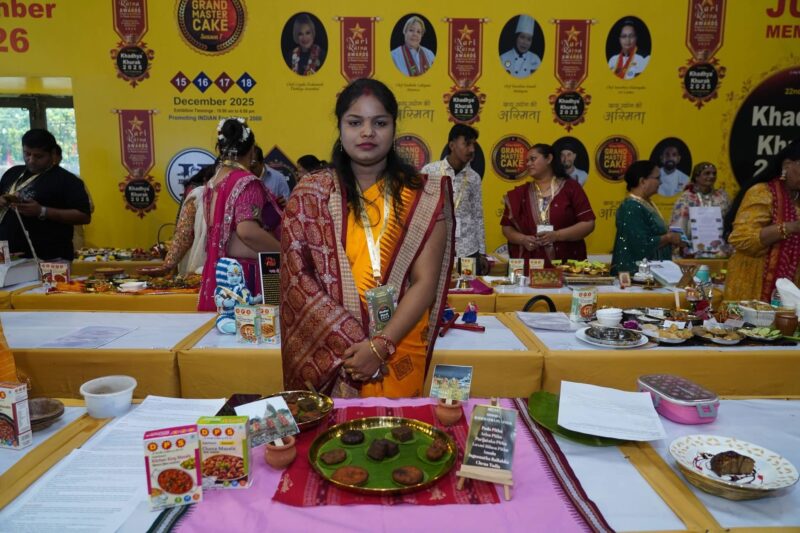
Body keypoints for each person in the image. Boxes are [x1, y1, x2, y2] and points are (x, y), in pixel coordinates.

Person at [280, 78, 454, 398]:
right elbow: (299, 284)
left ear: (394, 127)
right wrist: (350, 340)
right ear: (340, 126)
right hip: (336, 354)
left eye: (380, 123)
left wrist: (379, 346)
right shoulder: (312, 195)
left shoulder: (423, 196)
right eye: (355, 122)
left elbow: (425, 282)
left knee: (397, 427)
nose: (367, 132)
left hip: (400, 343)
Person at [197, 118, 282, 311]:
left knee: (223, 328)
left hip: (220, 273)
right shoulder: (247, 183)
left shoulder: (213, 182)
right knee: (249, 328)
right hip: (244, 276)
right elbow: (247, 231)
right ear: (252, 150)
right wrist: (285, 253)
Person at [724, 140, 800, 301]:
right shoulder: (762, 193)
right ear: (787, 165)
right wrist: (790, 227)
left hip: (791, 291)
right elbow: (741, 238)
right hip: (752, 286)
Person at [0, 129, 90, 260]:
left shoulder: (67, 180)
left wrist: (42, 211)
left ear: (52, 154)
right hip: (8, 255)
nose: (31, 160)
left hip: (49, 257)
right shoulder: (12, 173)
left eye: (38, 156)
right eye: (27, 154)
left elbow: (84, 216)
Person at [501, 143, 595, 266]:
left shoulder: (571, 188)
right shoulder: (520, 193)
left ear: (549, 159)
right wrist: (523, 239)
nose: (528, 164)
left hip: (566, 263)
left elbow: (588, 223)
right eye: (527, 161)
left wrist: (557, 235)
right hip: (531, 264)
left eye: (533, 159)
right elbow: (507, 227)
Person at [421, 124, 488, 273]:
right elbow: (420, 211)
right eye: (467, 144)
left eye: (474, 145)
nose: (472, 149)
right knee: (434, 286)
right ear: (452, 145)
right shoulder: (430, 171)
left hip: (468, 249)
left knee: (468, 287)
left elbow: (477, 215)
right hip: (437, 246)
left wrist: (482, 252)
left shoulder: (474, 178)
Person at [611, 160, 686, 274]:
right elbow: (640, 244)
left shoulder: (645, 203)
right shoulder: (631, 207)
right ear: (643, 181)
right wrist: (668, 238)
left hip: (652, 272)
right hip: (636, 275)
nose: (660, 182)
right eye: (657, 178)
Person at [669, 162, 731, 257]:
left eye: (714, 173)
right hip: (692, 250)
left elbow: (729, 221)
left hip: (719, 250)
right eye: (707, 173)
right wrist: (683, 246)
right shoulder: (686, 198)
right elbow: (678, 226)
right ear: (696, 177)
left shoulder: (722, 197)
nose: (712, 176)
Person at [163, 164, 215, 275]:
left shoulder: (198, 193)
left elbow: (184, 235)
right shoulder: (239, 192)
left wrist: (167, 266)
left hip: (201, 267)